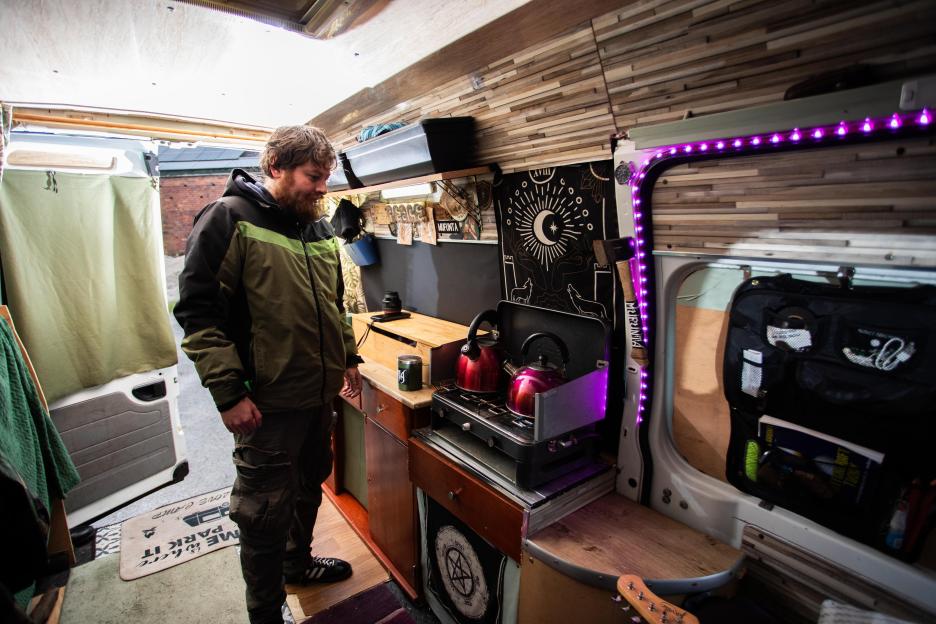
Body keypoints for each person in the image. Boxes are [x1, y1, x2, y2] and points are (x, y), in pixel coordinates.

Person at [174, 125, 363, 624]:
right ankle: (264, 611)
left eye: (326, 177)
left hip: (316, 397)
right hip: (266, 405)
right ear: (276, 166)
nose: (323, 188)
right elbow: (199, 315)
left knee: (308, 487)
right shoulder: (228, 220)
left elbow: (335, 306)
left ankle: (297, 567)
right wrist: (228, 394)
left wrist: (348, 358)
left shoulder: (318, 228)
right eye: (313, 176)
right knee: (262, 512)